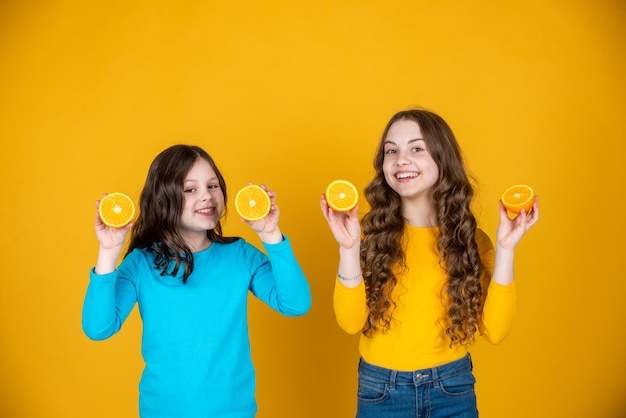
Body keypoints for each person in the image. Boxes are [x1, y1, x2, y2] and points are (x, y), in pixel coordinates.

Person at [320, 108, 539, 418]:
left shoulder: (472, 241)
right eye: (391, 151)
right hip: (381, 390)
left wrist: (506, 250)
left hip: (452, 386)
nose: (401, 159)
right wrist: (348, 249)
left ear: (442, 158)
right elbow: (350, 322)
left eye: (417, 148)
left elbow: (495, 331)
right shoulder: (367, 236)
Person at [82, 144, 312, 418]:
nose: (207, 196)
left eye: (213, 186)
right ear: (163, 198)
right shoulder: (141, 264)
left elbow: (296, 304)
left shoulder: (240, 255)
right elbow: (98, 328)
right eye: (190, 189)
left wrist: (271, 235)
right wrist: (108, 252)